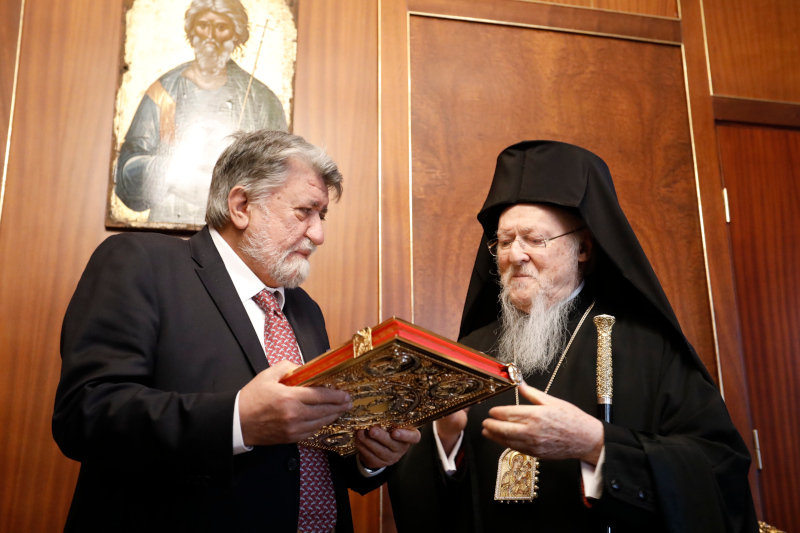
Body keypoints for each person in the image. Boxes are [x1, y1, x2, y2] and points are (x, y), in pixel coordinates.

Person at [54, 130, 420, 533]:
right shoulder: (141, 263)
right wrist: (238, 421)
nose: (319, 235)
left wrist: (368, 457)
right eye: (304, 212)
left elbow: (307, 453)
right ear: (241, 206)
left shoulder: (305, 309)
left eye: (322, 216)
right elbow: (85, 415)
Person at [388, 141, 758, 532]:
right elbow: (419, 495)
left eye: (535, 239)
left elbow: (719, 469)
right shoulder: (467, 354)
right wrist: (445, 440)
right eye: (505, 241)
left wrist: (597, 444)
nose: (515, 256)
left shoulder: (648, 350)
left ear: (583, 248)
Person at [115, 0, 288, 225]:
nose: (210, 36)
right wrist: (172, 171)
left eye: (221, 27)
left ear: (236, 34)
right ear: (191, 30)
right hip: (168, 222)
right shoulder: (164, 92)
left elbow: (277, 178)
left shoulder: (261, 99)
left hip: (230, 228)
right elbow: (127, 170)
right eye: (203, 25)